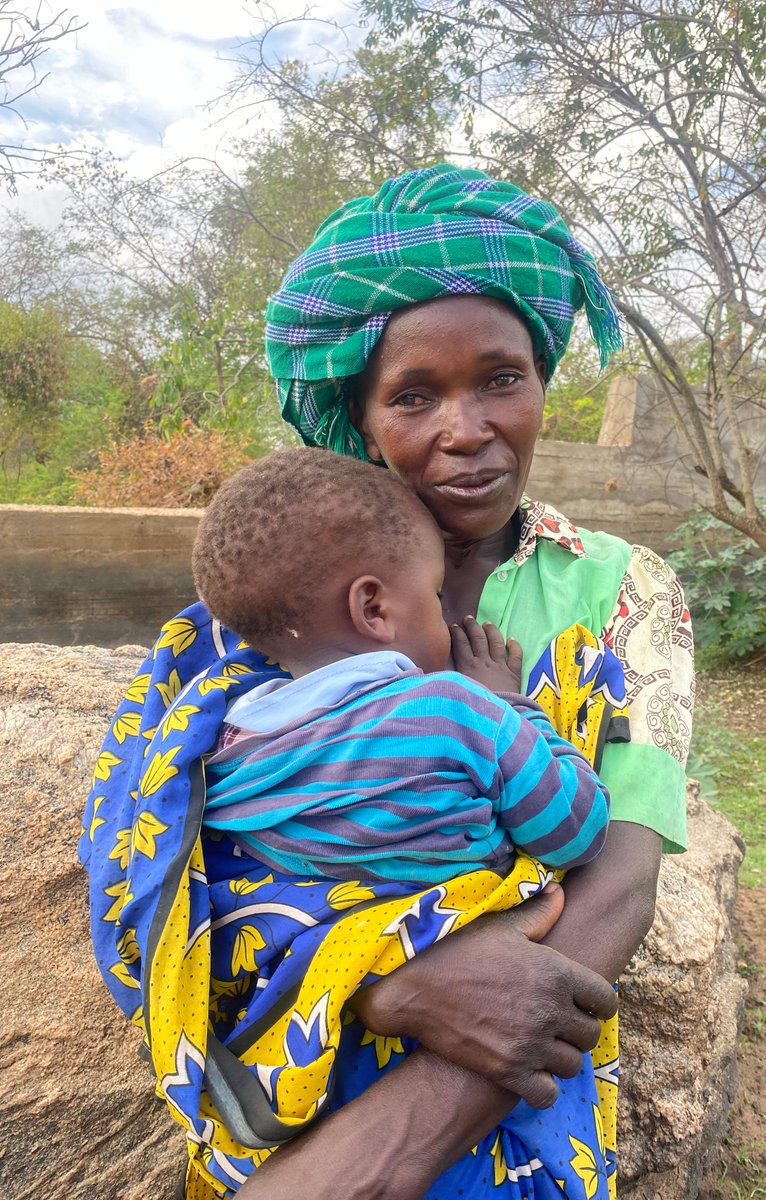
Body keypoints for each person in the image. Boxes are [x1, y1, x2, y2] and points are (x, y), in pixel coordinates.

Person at [80, 163, 692, 1200]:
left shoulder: (623, 591)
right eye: (414, 396)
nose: (466, 428)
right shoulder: (276, 591)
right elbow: (178, 866)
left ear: (544, 382)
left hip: (497, 1106)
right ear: (360, 419)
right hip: (297, 1082)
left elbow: (619, 876)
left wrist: (373, 1158)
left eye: (501, 376)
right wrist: (386, 984)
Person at [194, 446, 615, 888]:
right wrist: (509, 704)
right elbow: (576, 834)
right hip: (459, 933)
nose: (449, 618)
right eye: (436, 596)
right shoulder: (455, 711)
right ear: (373, 609)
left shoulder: (229, 743)